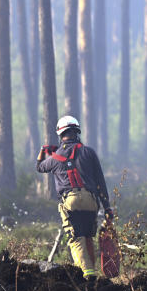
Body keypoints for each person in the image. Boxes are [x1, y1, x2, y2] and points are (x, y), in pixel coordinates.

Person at [36, 115, 114, 279]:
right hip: (91, 202)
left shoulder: (54, 158)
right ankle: (93, 272)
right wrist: (107, 206)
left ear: (60, 134)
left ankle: (87, 275)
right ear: (76, 132)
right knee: (87, 237)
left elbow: (39, 167)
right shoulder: (89, 152)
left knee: (76, 239)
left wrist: (44, 151)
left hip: (70, 201)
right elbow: (100, 181)